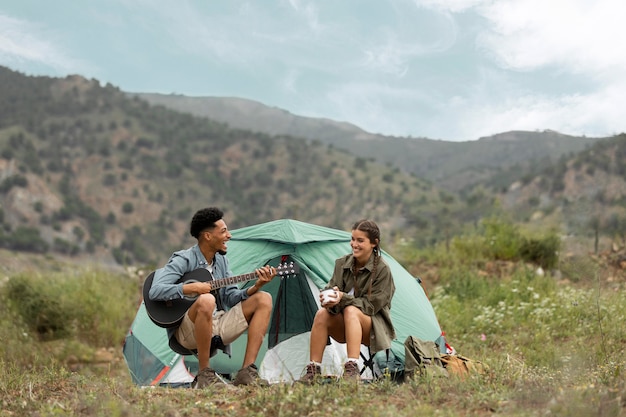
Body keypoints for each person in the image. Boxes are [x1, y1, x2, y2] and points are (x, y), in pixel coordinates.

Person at [148, 207, 277, 388]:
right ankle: (204, 374)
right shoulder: (184, 259)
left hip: (217, 324)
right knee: (207, 300)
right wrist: (191, 288)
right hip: (187, 331)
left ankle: (246, 372)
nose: (229, 236)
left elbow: (231, 298)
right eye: (223, 231)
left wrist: (256, 286)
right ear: (208, 236)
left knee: (264, 298)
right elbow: (156, 290)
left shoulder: (222, 261)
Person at [300, 219, 396, 383]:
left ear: (374, 243)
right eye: (352, 239)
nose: (354, 244)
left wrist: (342, 298)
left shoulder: (382, 270)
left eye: (360, 240)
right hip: (345, 324)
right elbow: (331, 288)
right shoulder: (342, 263)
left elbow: (370, 306)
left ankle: (352, 369)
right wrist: (328, 298)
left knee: (352, 310)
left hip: (372, 328)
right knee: (322, 314)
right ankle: (313, 370)